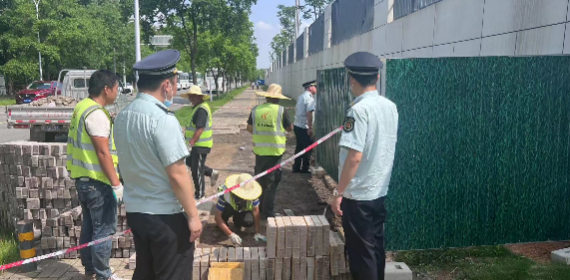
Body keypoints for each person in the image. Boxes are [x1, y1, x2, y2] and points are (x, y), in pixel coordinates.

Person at [113, 49, 203, 280]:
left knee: (146, 271)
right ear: (166, 86)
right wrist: (193, 216)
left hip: (137, 212)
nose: (175, 88)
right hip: (166, 216)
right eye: (174, 83)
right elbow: (177, 174)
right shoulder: (163, 119)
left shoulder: (123, 117)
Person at [330, 52, 398, 280]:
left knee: (361, 254)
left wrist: (338, 192)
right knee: (376, 246)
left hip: (358, 194)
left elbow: (354, 157)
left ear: (352, 80)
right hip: (379, 189)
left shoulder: (356, 111)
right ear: (377, 78)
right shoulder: (390, 106)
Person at [67, 70, 124, 280]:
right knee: (104, 231)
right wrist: (116, 184)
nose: (118, 93)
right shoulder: (97, 114)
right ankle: (103, 275)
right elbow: (102, 152)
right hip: (98, 182)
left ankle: (90, 269)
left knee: (90, 227)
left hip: (83, 180)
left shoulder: (81, 108)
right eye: (117, 88)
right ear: (106, 89)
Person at [246, 84, 293, 218]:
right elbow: (289, 128)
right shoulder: (281, 111)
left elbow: (249, 128)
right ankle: (267, 213)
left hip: (260, 152)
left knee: (260, 181)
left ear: (267, 97)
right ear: (278, 99)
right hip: (275, 153)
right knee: (272, 183)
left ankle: (257, 209)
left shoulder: (256, 110)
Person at [181, 85, 220, 199]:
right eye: (190, 96)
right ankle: (210, 172)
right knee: (191, 163)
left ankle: (200, 194)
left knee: (196, 170)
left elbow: (200, 128)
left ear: (199, 97)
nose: (190, 99)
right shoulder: (197, 108)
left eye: (192, 96)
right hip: (197, 145)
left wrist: (191, 143)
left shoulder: (201, 110)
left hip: (200, 145)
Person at [214, 173, 266, 246]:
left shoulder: (253, 194)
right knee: (224, 214)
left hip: (241, 210)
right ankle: (222, 226)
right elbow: (217, 216)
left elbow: (256, 211)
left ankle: (237, 222)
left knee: (248, 221)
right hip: (228, 209)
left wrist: (257, 232)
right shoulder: (225, 194)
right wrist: (230, 234)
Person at [293, 80, 317, 173]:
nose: (316, 89)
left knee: (299, 147)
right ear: (310, 87)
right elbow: (309, 113)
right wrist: (310, 128)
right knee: (308, 148)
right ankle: (305, 168)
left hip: (297, 125)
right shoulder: (309, 98)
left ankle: (296, 167)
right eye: (315, 87)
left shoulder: (301, 96)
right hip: (304, 127)